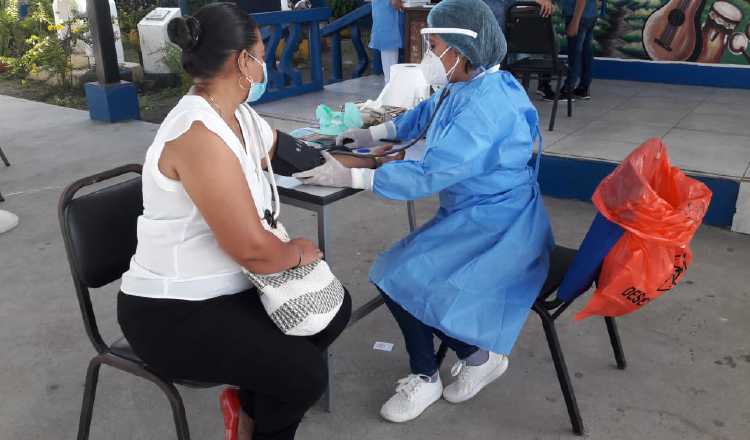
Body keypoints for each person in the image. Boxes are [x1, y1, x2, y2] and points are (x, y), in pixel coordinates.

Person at [295, 0, 554, 423]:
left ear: (460, 49)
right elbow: (426, 113)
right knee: (402, 273)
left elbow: (430, 174)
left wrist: (353, 177)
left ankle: (444, 368)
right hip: (479, 213)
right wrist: (370, 132)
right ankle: (468, 358)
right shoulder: (474, 83)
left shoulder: (485, 110)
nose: (429, 55)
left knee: (395, 276)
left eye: (434, 45)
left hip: (500, 226)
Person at [116, 3, 351, 440]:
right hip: (173, 312)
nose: (266, 64)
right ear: (243, 61)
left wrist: (348, 161)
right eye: (261, 53)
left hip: (230, 285)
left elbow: (280, 149)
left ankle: (247, 411)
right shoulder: (197, 135)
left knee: (333, 310)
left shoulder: (237, 114)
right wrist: (298, 251)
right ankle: (252, 428)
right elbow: (253, 251)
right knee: (302, 374)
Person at [558, 0, 601, 100]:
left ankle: (568, 89)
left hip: (579, 16)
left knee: (575, 54)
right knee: (586, 52)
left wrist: (575, 21)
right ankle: (583, 88)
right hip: (590, 14)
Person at [370, 0, 405, 83]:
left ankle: (388, 89)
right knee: (391, 68)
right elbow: (395, 2)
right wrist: (402, 6)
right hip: (389, 25)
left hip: (382, 24)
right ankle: (390, 92)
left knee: (387, 68)